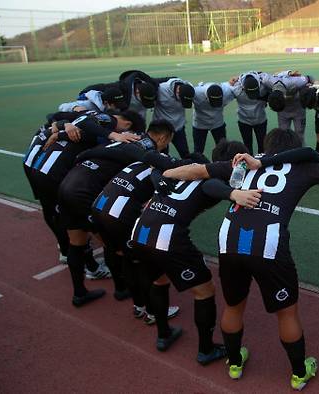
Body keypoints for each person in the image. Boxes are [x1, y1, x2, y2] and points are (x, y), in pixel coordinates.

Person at [164, 128, 319, 390]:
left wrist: (165, 174)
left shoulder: (246, 159)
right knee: (286, 312)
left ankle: (234, 363)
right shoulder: (303, 167)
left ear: (267, 147)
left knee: (233, 306)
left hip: (230, 237)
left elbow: (198, 171)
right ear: (295, 148)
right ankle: (299, 372)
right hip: (268, 243)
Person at [128, 140, 261, 364]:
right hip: (167, 235)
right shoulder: (213, 177)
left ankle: (163, 334)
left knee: (160, 281)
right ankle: (206, 349)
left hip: (141, 229)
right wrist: (232, 194)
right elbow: (209, 186)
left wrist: (158, 179)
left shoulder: (185, 168)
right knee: (205, 290)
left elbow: (154, 164)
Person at [57, 113, 175, 307]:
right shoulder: (145, 148)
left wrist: (83, 155)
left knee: (76, 242)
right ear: (163, 138)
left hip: (68, 184)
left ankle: (80, 293)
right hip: (84, 191)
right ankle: (126, 292)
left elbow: (98, 151)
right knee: (115, 243)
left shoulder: (129, 139)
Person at [91, 120, 185, 323]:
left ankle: (139, 305)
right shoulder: (166, 164)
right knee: (142, 263)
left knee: (126, 258)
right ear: (163, 138)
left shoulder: (137, 153)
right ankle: (153, 311)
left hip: (99, 205)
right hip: (118, 214)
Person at [25, 110, 142, 271]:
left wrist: (60, 129)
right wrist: (114, 136)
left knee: (63, 218)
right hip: (55, 177)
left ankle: (69, 253)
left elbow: (62, 120)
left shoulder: (89, 123)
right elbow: (82, 123)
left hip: (37, 168)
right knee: (90, 225)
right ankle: (96, 267)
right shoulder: (109, 120)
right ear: (128, 125)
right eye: (127, 133)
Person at [265, 70, 313, 145]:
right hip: (283, 112)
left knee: (299, 134)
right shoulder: (269, 81)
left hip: (298, 110)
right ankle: (286, 154)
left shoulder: (296, 81)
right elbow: (259, 75)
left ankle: (301, 153)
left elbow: (310, 78)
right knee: (283, 135)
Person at [153, 77, 195, 158]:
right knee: (161, 155)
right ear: (178, 92)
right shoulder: (161, 89)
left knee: (185, 153)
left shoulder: (189, 89)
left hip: (178, 128)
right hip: (161, 129)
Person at [230, 71, 272, 154]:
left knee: (262, 146)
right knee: (247, 146)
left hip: (260, 121)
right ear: (243, 87)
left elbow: (276, 80)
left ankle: (262, 164)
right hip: (244, 122)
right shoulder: (236, 88)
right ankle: (250, 164)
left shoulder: (264, 86)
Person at [192, 81, 235, 154]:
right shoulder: (196, 93)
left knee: (223, 149)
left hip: (218, 123)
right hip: (199, 124)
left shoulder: (226, 92)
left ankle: (221, 164)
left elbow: (232, 84)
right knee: (198, 150)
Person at [58, 87, 128, 113]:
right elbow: (62, 106)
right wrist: (75, 107)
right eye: (116, 105)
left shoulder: (109, 108)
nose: (118, 108)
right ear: (106, 103)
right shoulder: (88, 104)